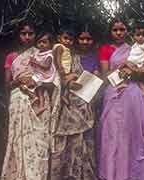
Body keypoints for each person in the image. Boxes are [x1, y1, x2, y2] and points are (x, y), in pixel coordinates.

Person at [97, 18, 144, 180]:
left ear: (127, 31)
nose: (119, 33)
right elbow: (106, 76)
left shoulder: (134, 48)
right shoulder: (105, 49)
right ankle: (113, 174)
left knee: (133, 132)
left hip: (133, 93)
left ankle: (135, 173)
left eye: (122, 29)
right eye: (115, 30)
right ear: (110, 32)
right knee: (112, 131)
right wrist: (124, 74)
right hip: (114, 91)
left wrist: (135, 73)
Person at [1, 21, 56, 180]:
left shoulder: (43, 55)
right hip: (19, 100)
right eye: (23, 34)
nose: (27, 37)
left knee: (40, 141)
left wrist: (36, 82)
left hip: (40, 100)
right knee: (20, 139)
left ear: (35, 35)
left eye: (30, 33)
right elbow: (7, 85)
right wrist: (19, 81)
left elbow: (52, 80)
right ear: (19, 36)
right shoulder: (12, 57)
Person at [49, 27, 97, 180]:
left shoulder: (95, 58)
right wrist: (68, 80)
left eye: (88, 39)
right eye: (82, 38)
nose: (85, 41)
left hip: (87, 102)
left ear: (93, 41)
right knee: (69, 140)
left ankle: (84, 175)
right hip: (69, 103)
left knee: (85, 140)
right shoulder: (69, 56)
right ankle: (67, 175)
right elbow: (61, 77)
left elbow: (97, 80)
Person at [117, 22, 144, 96]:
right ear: (134, 36)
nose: (140, 37)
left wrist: (143, 66)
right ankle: (141, 89)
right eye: (138, 35)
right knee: (130, 73)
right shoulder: (136, 45)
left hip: (142, 65)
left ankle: (126, 83)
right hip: (136, 64)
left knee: (130, 72)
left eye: (143, 35)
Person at [53, 28, 81, 105]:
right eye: (65, 38)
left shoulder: (66, 48)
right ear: (59, 38)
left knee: (65, 83)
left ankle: (64, 95)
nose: (68, 41)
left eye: (70, 40)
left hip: (66, 70)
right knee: (63, 82)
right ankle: (62, 96)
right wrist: (60, 68)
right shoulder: (60, 47)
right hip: (60, 69)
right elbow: (57, 58)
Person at [30, 31, 56, 115]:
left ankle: (35, 98)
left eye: (44, 42)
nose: (41, 44)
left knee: (33, 85)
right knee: (39, 90)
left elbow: (46, 66)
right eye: (39, 42)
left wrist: (36, 62)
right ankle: (41, 106)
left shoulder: (49, 54)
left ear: (49, 44)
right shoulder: (37, 53)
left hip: (45, 75)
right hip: (39, 74)